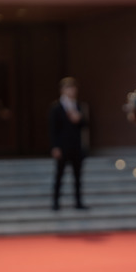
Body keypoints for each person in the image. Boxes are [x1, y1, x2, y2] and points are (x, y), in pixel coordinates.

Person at [49, 77, 88, 211]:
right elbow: (53, 129)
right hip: (62, 147)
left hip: (76, 146)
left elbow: (86, 126)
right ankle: (55, 202)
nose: (71, 91)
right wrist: (55, 147)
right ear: (62, 90)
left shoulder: (78, 106)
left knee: (78, 177)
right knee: (59, 175)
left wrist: (79, 118)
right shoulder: (56, 108)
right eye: (68, 88)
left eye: (73, 88)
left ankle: (78, 202)